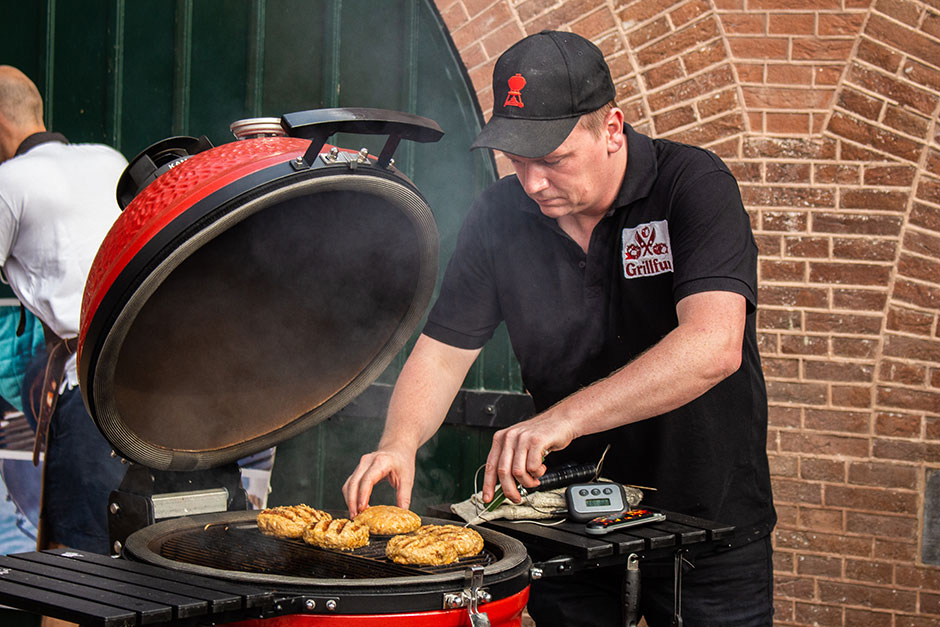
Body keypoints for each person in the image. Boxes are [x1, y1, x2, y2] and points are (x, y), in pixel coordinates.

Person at [343, 31, 775, 625]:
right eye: (517, 161)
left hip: (706, 521)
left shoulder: (691, 185)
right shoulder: (499, 214)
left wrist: (561, 419)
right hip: (562, 523)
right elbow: (444, 351)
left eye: (551, 160)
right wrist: (399, 440)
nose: (532, 183)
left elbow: (713, 346)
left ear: (612, 129)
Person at [0, 65, 128, 556]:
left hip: (91, 393)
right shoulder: (107, 158)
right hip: (159, 387)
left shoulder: (9, 183)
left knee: (71, 571)